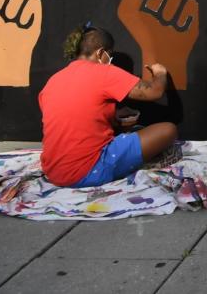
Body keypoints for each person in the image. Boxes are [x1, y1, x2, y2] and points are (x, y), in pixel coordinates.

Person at [39, 24, 180, 187]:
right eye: (109, 54)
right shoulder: (104, 72)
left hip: (54, 173)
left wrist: (113, 116)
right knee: (168, 129)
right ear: (100, 53)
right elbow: (155, 92)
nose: (110, 59)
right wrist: (160, 73)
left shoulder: (53, 81)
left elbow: (74, 118)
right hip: (86, 172)